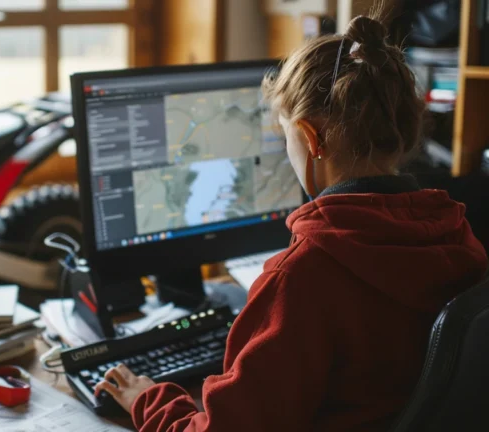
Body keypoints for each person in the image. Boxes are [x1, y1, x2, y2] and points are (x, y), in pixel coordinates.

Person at [94, 13, 489, 432]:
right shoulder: (458, 237)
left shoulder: (303, 277)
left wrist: (149, 400)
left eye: (286, 137)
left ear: (310, 138)